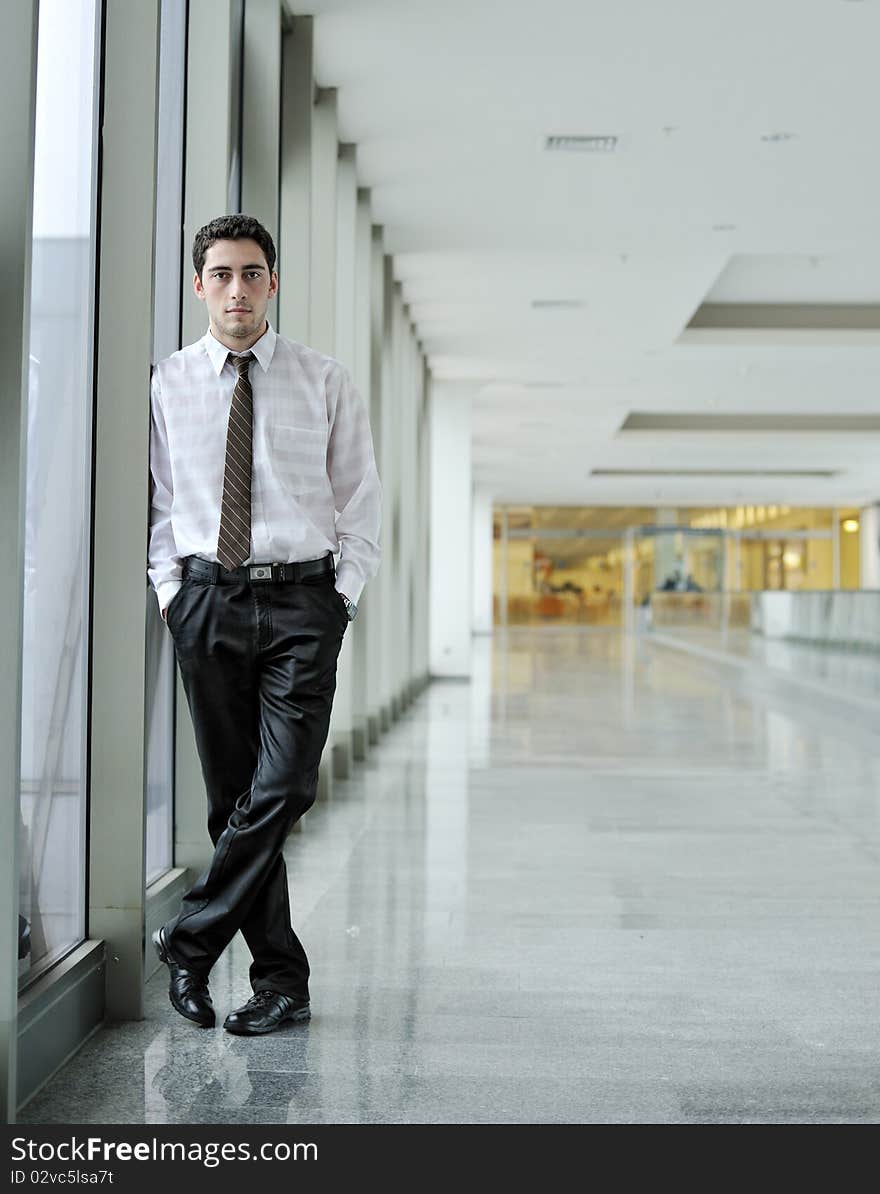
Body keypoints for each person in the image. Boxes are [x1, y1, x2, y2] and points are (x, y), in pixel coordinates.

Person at [147, 214, 381, 1035]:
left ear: (272, 283)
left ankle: (191, 940)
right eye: (222, 274)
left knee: (283, 787)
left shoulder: (324, 379)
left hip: (300, 604)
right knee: (232, 803)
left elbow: (359, 501)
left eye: (252, 273)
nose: (237, 288)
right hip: (206, 600)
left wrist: (339, 598)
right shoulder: (166, 383)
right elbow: (161, 504)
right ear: (200, 285)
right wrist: (171, 593)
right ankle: (281, 983)